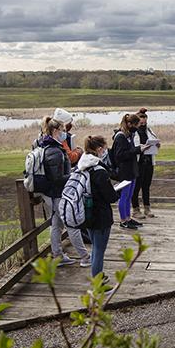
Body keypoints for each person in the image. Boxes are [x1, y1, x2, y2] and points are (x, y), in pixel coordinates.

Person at [35, 116, 91, 267]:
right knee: (71, 224)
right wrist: (74, 175)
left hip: (54, 194)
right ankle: (85, 257)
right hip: (57, 194)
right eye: (63, 130)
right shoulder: (54, 151)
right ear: (55, 131)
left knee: (57, 224)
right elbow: (57, 178)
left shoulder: (49, 146)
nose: (65, 133)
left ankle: (58, 256)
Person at [79, 135, 119, 281]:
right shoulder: (99, 171)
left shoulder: (82, 166)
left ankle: (97, 276)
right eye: (104, 147)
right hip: (101, 215)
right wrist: (117, 191)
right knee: (99, 250)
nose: (106, 150)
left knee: (95, 247)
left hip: (87, 212)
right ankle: (97, 280)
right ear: (99, 149)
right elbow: (111, 197)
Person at [111, 113, 153, 229]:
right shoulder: (120, 137)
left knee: (129, 195)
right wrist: (138, 149)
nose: (138, 127)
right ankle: (123, 220)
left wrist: (139, 149)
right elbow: (119, 155)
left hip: (132, 169)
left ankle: (128, 218)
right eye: (136, 125)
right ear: (129, 124)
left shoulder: (128, 135)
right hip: (125, 171)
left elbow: (129, 151)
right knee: (124, 196)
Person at [131, 108, 161, 219]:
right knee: (136, 186)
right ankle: (135, 209)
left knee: (146, 186)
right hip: (138, 162)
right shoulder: (133, 132)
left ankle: (147, 208)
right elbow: (131, 147)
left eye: (144, 119)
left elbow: (155, 140)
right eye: (141, 119)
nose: (143, 122)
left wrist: (157, 145)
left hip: (149, 161)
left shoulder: (149, 130)